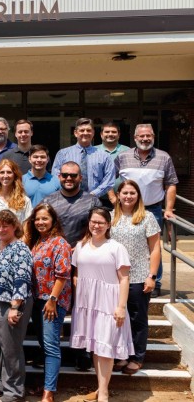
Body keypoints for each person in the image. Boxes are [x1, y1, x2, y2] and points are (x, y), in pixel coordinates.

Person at [71, 207, 134, 402]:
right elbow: (76, 273)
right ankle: (100, 387)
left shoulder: (116, 247)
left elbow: (124, 279)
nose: (96, 225)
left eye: (100, 222)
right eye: (93, 222)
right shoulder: (80, 246)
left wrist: (121, 306)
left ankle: (104, 393)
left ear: (108, 225)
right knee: (97, 348)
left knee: (106, 349)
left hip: (109, 303)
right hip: (87, 303)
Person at [115, 123, 178, 297]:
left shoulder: (164, 157)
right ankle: (124, 278)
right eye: (141, 136)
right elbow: (109, 179)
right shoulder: (123, 157)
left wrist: (169, 209)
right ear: (135, 138)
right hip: (126, 209)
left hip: (153, 209)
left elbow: (171, 184)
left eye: (148, 135)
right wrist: (114, 200)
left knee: (153, 247)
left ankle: (155, 281)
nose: (145, 139)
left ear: (153, 137)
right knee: (125, 244)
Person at [0, 210, 34, 402]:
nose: (1, 229)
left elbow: (22, 279)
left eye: (5, 226)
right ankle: (0, 384)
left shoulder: (20, 249)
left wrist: (15, 307)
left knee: (11, 349)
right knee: (1, 347)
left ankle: (14, 391)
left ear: (14, 227)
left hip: (10, 305)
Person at [110, 180, 160, 375]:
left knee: (137, 317)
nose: (128, 196)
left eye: (132, 193)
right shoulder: (110, 216)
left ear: (138, 196)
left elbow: (155, 248)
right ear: (118, 195)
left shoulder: (147, 217)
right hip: (113, 276)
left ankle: (137, 356)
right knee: (118, 318)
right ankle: (121, 355)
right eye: (125, 193)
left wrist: (152, 276)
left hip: (139, 275)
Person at [24, 203, 73, 402]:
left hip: (53, 301)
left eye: (45, 218)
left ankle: (49, 391)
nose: (40, 222)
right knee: (44, 344)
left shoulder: (59, 243)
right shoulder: (36, 242)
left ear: (53, 220)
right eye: (37, 219)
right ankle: (46, 384)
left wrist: (52, 300)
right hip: (37, 300)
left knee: (51, 345)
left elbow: (62, 275)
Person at [51, 117, 115, 200]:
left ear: (93, 133)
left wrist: (92, 195)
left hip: (95, 200)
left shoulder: (104, 156)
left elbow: (109, 180)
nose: (85, 133)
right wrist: (69, 193)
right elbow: (56, 177)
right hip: (68, 200)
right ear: (75, 133)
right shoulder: (63, 154)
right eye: (82, 130)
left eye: (88, 130)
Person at [41, 162, 102, 247]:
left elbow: (101, 229)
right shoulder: (48, 201)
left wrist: (83, 244)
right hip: (53, 251)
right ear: (59, 177)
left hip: (83, 252)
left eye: (73, 175)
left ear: (80, 178)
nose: (69, 178)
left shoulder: (93, 202)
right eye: (64, 175)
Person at [0, 159, 32, 246]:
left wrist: (17, 250)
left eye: (9, 172)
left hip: (15, 252)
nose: (5, 175)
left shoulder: (25, 201)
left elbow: (26, 231)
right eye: (2, 172)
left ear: (14, 175)